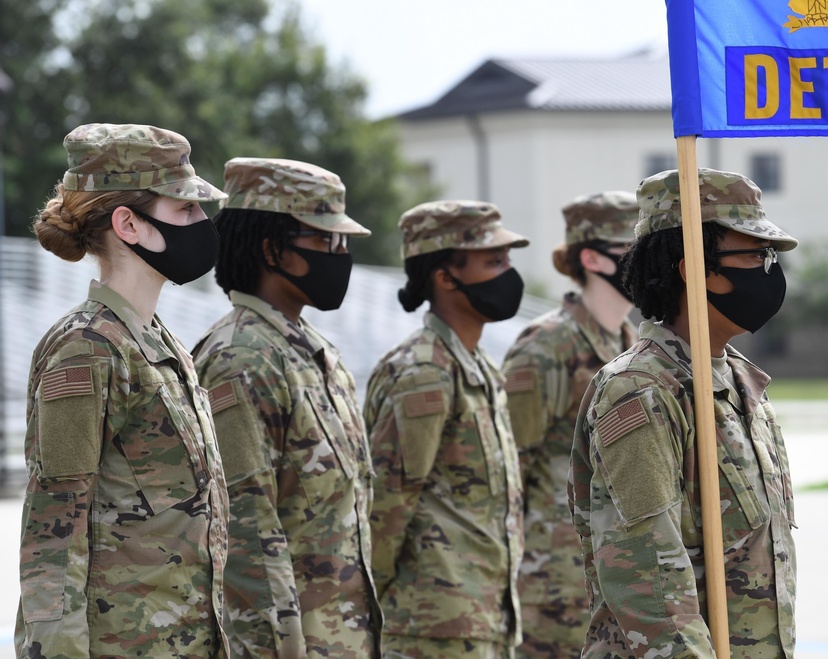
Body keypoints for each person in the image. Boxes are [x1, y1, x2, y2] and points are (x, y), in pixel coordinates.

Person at [16, 123, 230, 658]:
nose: (202, 224)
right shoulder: (88, 348)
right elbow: (54, 530)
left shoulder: (161, 344)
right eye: (184, 210)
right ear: (129, 224)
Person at [569, 168, 799, 658]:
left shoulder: (738, 381)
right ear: (697, 268)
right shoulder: (642, 391)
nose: (768, 271)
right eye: (755, 255)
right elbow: (646, 576)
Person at [192, 157, 381, 657]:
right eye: (324, 241)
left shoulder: (312, 352)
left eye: (342, 243)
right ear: (272, 249)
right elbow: (247, 530)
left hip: (345, 639)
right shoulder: (239, 359)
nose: (340, 256)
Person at [363, 200, 529, 658]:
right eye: (493, 261)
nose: (508, 274)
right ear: (444, 276)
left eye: (507, 261)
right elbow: (389, 502)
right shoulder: (424, 372)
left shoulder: (476, 366)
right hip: (431, 627)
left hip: (482, 621)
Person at [501, 191, 639, 658]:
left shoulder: (635, 346)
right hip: (554, 580)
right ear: (591, 258)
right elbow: (508, 469)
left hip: (622, 574)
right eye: (632, 251)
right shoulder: (548, 346)